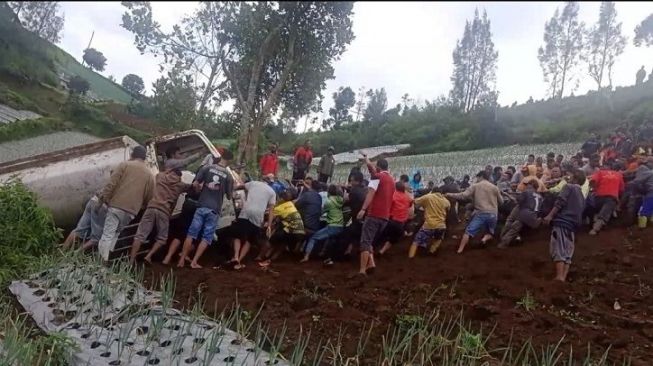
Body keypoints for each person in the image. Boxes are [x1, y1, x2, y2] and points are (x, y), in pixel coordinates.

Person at [96, 146, 154, 261]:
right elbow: (149, 196)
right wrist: (140, 205)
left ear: (132, 155)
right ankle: (108, 257)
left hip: (117, 205)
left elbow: (111, 184)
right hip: (131, 211)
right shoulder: (149, 175)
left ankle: (101, 261)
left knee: (107, 234)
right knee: (116, 233)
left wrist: (102, 200)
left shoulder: (125, 165)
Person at [129, 160, 193, 264]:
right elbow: (192, 187)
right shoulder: (180, 185)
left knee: (140, 235)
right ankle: (148, 256)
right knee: (162, 238)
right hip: (164, 211)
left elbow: (163, 172)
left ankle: (131, 260)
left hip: (151, 207)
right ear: (180, 177)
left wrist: (168, 171)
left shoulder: (160, 176)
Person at [177, 152, 233, 269]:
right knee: (206, 237)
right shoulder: (228, 176)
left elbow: (195, 183)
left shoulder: (207, 168)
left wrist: (199, 191)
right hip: (214, 210)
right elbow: (229, 196)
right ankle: (194, 262)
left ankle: (181, 260)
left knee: (191, 234)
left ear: (220, 157)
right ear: (229, 161)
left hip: (201, 206)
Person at [543, 169, 586, 282]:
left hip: (562, 222)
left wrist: (550, 216)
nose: (568, 178)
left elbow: (560, 202)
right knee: (567, 252)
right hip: (572, 227)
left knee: (558, 248)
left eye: (570, 176)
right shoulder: (581, 194)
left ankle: (559, 277)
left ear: (575, 178)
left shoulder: (569, 187)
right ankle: (563, 277)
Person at [446, 171, 503, 254]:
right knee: (490, 233)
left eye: (477, 177)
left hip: (481, 212)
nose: (477, 179)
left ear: (481, 176)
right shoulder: (494, 187)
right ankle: (483, 240)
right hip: (493, 214)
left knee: (468, 232)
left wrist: (449, 194)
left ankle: (460, 250)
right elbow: (501, 202)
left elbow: (463, 195)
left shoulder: (476, 186)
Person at [356, 155, 395, 276]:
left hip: (374, 214)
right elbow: (373, 170)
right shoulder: (392, 180)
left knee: (365, 242)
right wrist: (366, 159)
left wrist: (363, 209)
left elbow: (370, 193)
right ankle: (371, 263)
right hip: (385, 217)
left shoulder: (376, 177)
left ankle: (362, 270)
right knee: (371, 241)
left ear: (378, 167)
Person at [229, 177, 276, 269]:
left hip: (246, 211)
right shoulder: (272, 192)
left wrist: (231, 188)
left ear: (262, 180)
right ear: (270, 183)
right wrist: (269, 225)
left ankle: (235, 256)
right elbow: (271, 210)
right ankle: (239, 260)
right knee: (250, 240)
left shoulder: (253, 183)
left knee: (237, 235)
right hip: (258, 215)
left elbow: (240, 186)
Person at [258, 188, 305, 267]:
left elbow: (267, 214)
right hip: (300, 232)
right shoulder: (291, 204)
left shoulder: (281, 207)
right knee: (282, 244)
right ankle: (270, 260)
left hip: (291, 229)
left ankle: (259, 257)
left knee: (270, 242)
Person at [302, 184, 344, 263]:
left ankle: (306, 256)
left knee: (313, 238)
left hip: (332, 225)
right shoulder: (341, 199)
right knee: (331, 240)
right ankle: (327, 257)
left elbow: (321, 213)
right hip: (340, 226)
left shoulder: (329, 202)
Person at [498, 180, 543, 249]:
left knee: (512, 226)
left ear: (532, 186)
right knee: (515, 228)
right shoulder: (540, 197)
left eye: (528, 185)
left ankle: (503, 243)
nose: (526, 186)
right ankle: (512, 238)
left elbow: (517, 201)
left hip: (524, 213)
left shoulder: (526, 192)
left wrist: (507, 195)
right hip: (533, 216)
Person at [408, 186, 450, 258]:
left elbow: (415, 201)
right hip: (441, 226)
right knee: (438, 239)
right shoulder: (446, 201)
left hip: (429, 224)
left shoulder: (428, 197)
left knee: (416, 240)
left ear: (433, 191)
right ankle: (432, 251)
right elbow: (448, 210)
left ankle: (410, 256)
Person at [378, 182, 413, 256]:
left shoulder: (393, 195)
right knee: (393, 238)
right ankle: (382, 251)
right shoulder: (407, 197)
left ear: (395, 187)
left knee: (381, 235)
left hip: (390, 220)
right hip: (400, 224)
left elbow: (387, 204)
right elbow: (410, 203)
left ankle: (371, 250)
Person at [589, 163, 624, 235]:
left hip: (599, 196)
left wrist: (594, 189)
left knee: (596, 209)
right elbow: (621, 189)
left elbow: (592, 182)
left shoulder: (600, 172)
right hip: (612, 197)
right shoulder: (619, 175)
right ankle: (595, 229)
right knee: (604, 214)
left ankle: (593, 223)